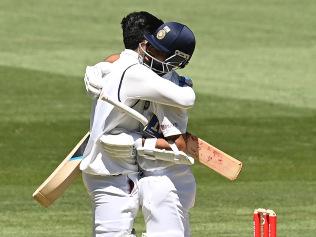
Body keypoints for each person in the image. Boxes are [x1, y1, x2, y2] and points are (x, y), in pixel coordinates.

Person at [80, 12, 195, 237]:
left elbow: (116, 60)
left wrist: (98, 67)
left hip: (120, 168)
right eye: (151, 45)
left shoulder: (124, 65)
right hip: (110, 170)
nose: (150, 51)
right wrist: (186, 84)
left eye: (158, 48)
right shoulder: (138, 73)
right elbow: (186, 99)